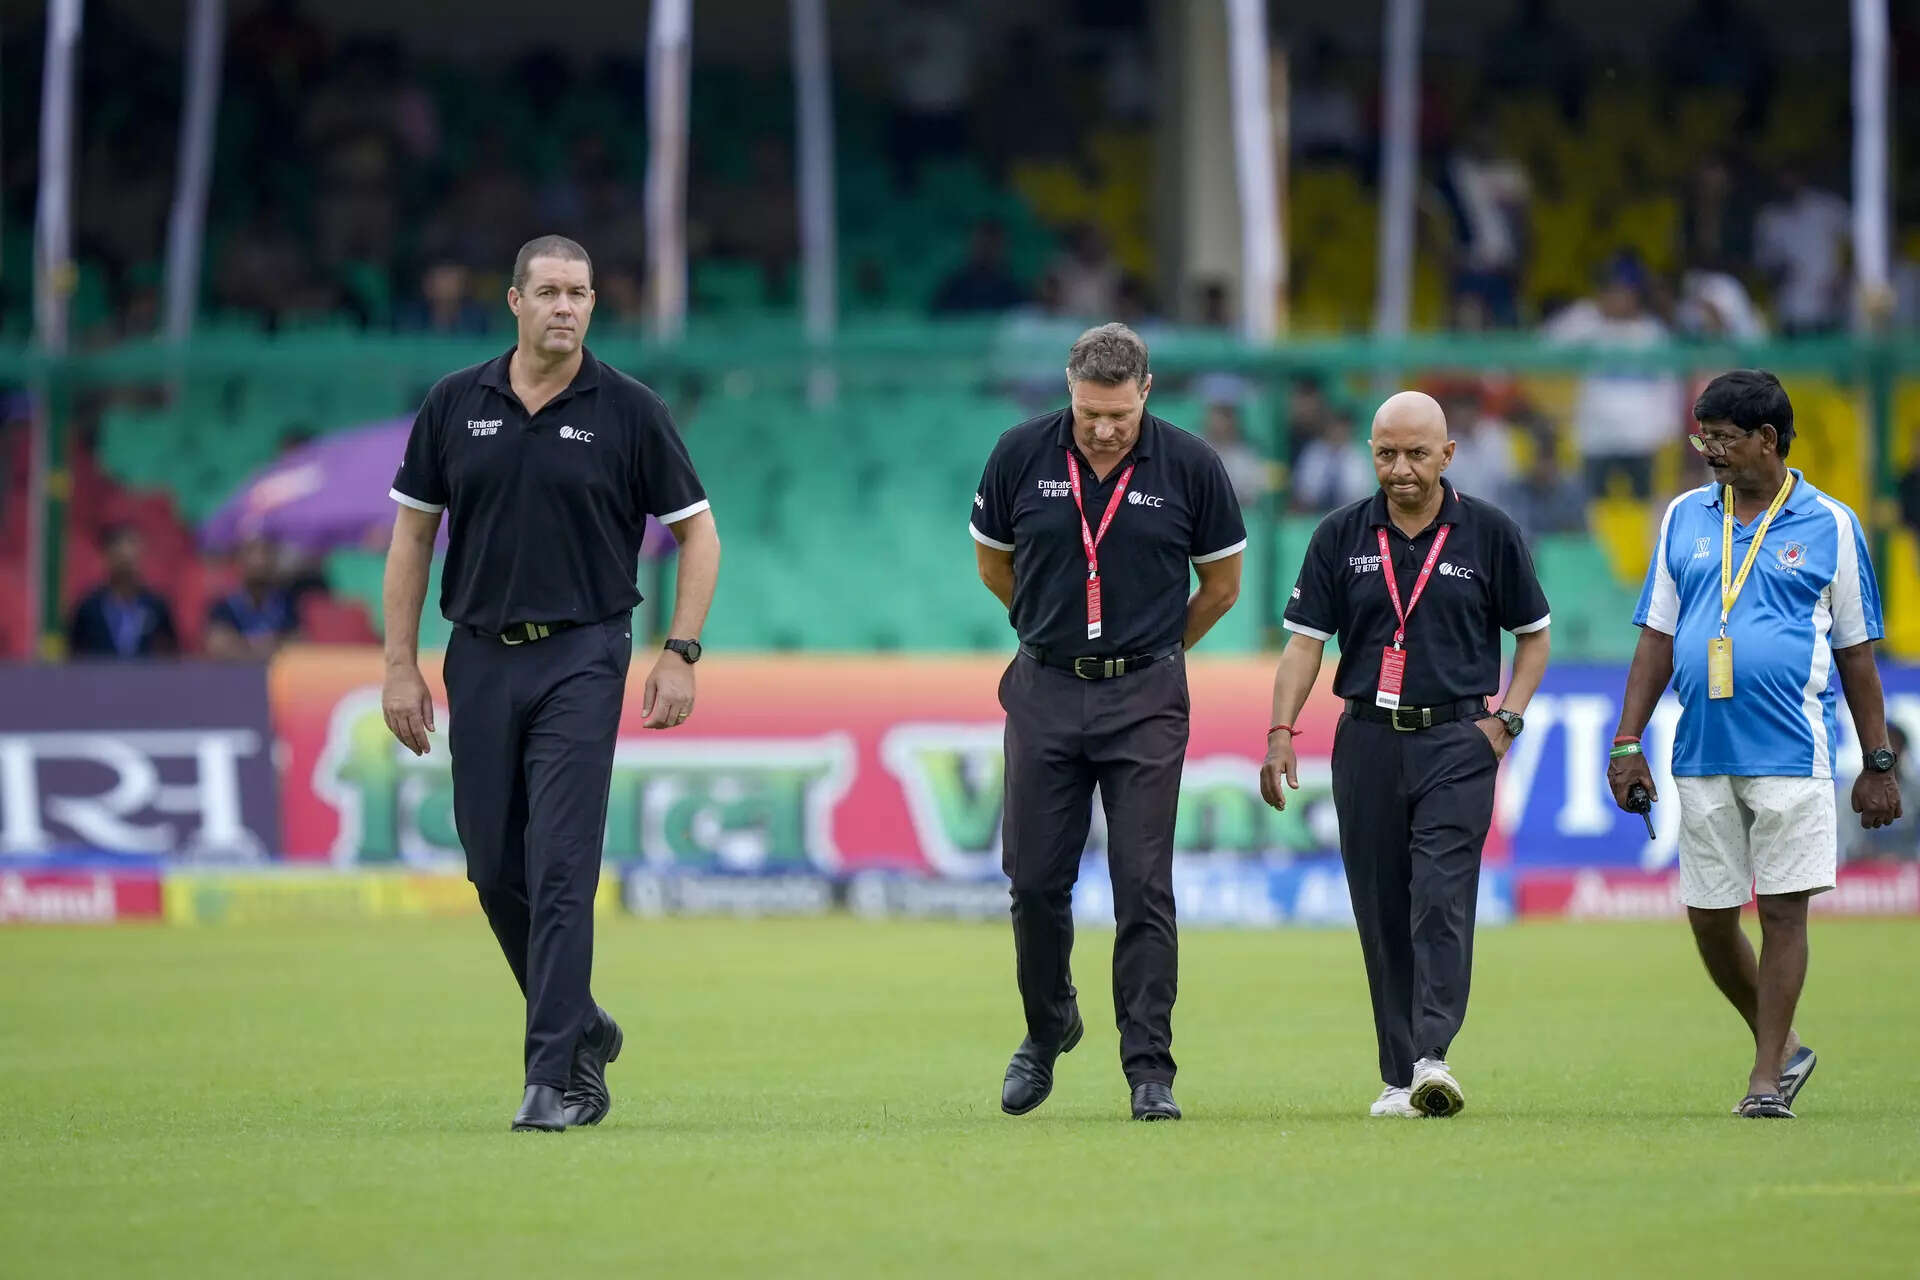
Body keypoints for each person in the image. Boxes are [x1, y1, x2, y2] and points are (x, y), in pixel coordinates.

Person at [381, 234, 722, 1133]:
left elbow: (699, 534)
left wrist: (679, 651)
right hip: (478, 656)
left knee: (563, 866)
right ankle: (582, 1026)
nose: (566, 305)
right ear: (515, 302)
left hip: (584, 654)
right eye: (550, 291)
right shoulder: (455, 404)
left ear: (592, 306)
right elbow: (412, 539)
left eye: (580, 292)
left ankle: (553, 1081)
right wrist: (398, 664)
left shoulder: (630, 410)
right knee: (494, 866)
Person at [970, 322, 1246, 1122]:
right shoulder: (1018, 454)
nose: (1101, 429)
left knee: (1143, 884)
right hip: (1045, 687)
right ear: (1069, 386)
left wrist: (1155, 652)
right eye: (1090, 412)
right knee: (1033, 883)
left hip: (1147, 699)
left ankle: (1149, 1069)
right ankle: (1048, 1023)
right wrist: (1050, 633)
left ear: (1147, 393)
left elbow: (1222, 586)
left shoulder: (1192, 465)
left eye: (1118, 416)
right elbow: (994, 564)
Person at [1607, 370, 1900, 1119]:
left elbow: (1858, 650)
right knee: (1709, 917)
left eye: (1724, 439)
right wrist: (1626, 739)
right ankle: (1786, 1043)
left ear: (1768, 440)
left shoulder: (1831, 524)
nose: (1710, 452)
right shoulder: (1683, 516)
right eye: (1703, 437)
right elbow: (1657, 636)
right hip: (1702, 748)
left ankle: (1766, 1078)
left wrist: (1877, 762)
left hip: (1793, 751)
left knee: (1781, 915)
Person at [1260, 391, 1551, 1120]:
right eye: (1386, 453)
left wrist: (1505, 723)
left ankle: (1433, 1055)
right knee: (1381, 909)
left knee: (1440, 899)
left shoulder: (1490, 533)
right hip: (1364, 740)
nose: (1401, 469)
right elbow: (1304, 643)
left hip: (1459, 740)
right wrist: (1280, 730)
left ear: (1448, 456)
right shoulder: (1338, 535)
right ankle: (1399, 1076)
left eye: (1417, 454)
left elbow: (1534, 636)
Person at [66, 525, 179, 659]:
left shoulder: (156, 605)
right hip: (100, 677)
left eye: (132, 558)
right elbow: (74, 653)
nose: (127, 564)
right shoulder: (89, 607)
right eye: (121, 558)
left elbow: (171, 651)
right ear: (108, 557)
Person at [205, 537, 299, 660]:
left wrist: (243, 645)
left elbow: (298, 644)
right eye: (251, 554)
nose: (259, 561)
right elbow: (218, 646)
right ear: (239, 561)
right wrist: (268, 646)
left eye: (265, 554)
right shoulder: (223, 607)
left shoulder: (287, 604)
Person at [933, 220, 1028, 314]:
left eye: (992, 245)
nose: (986, 251)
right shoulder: (953, 289)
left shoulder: (1014, 293)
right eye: (982, 244)